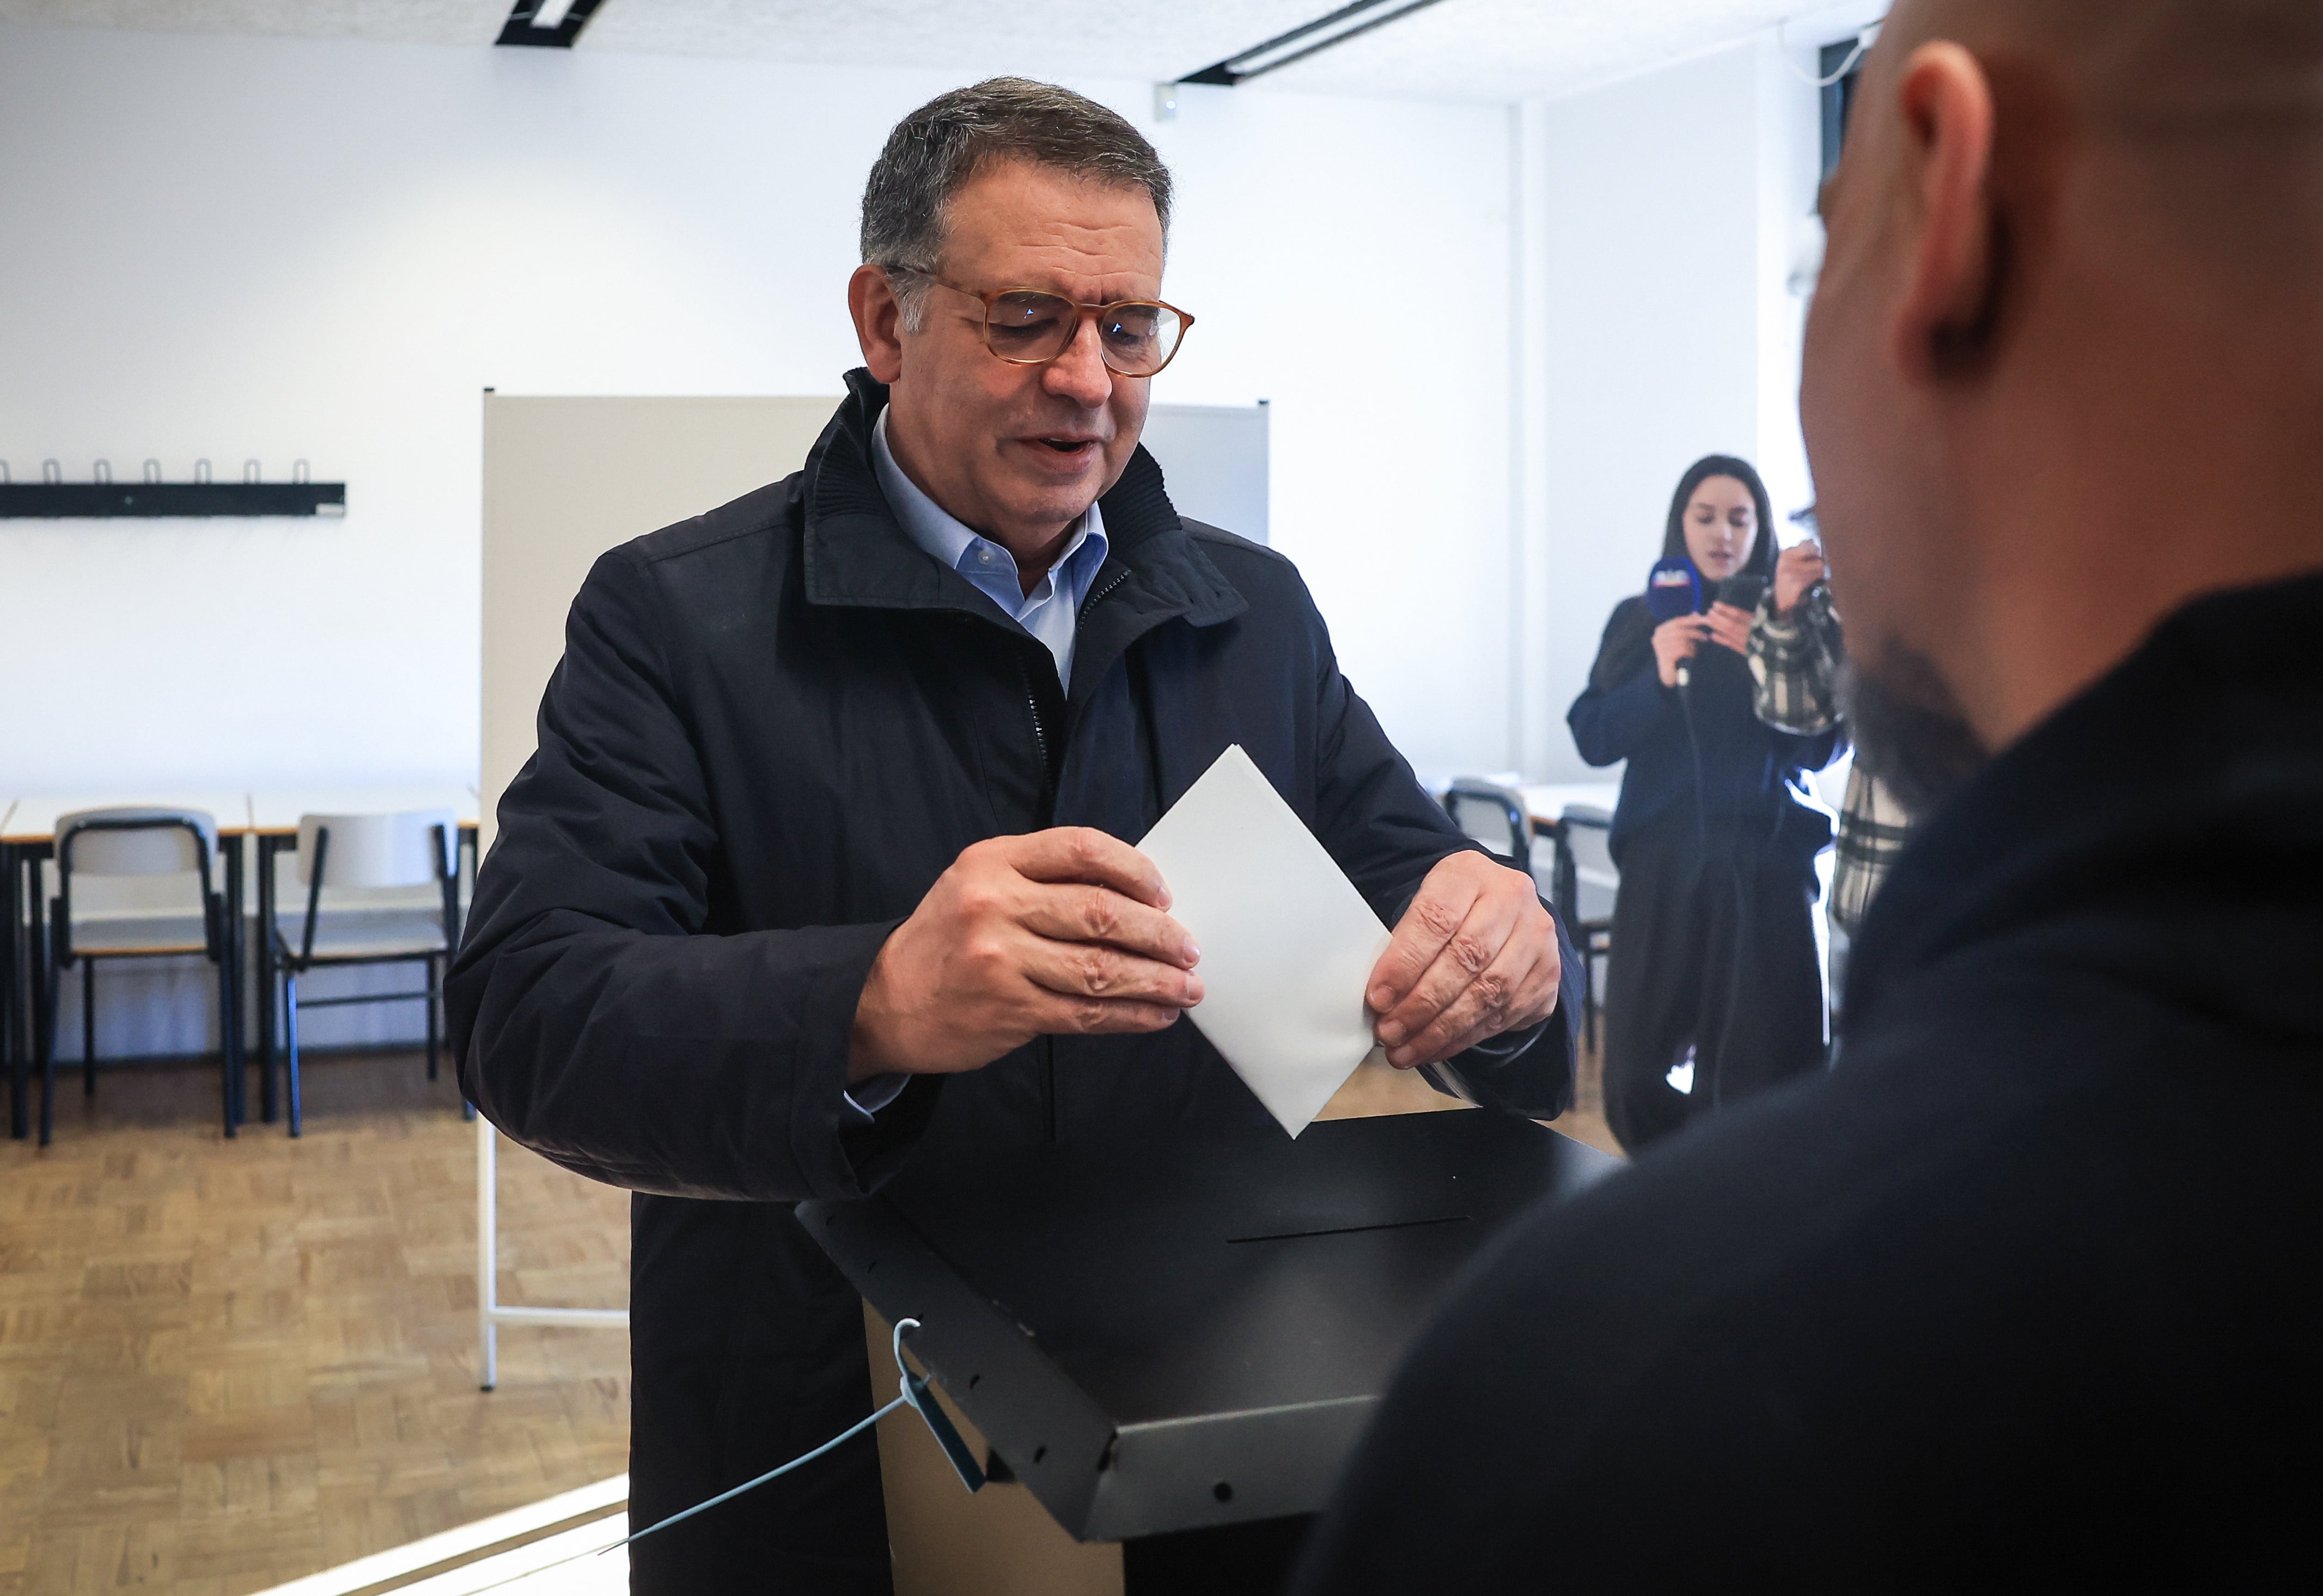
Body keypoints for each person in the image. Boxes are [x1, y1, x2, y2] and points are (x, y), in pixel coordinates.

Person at [1292, 0, 2323, 1588]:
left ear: (1945, 207)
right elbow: (1609, 725)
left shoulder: (1624, 1411)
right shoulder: (1648, 612)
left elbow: (1806, 738)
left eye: (1824, 249)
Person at [444, 78, 1574, 1595]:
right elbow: (527, 1015)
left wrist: (1500, 946)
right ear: (882, 318)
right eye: (1026, 315)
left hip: (1209, 1434)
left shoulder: (1253, 611)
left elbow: (1419, 886)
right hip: (826, 1435)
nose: (1086, 380)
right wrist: (874, 1002)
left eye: (1128, 327)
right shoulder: (677, 618)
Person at [1565, 456, 1841, 1151]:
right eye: (1706, 516)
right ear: (1679, 525)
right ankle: (1674, 1189)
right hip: (1661, 870)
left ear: (1762, 528)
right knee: (1631, 1078)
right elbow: (1592, 736)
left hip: (1768, 871)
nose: (1723, 533)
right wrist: (1658, 678)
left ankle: (1741, 1212)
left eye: (1740, 518)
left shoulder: (1792, 618)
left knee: (1763, 1080)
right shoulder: (1641, 617)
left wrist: (1771, 645)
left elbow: (1823, 748)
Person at [1746, 531, 1915, 960]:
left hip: (2003, 892)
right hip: (1882, 896)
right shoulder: (1875, 566)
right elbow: (1802, 713)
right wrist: (1788, 613)